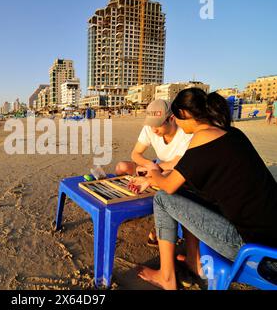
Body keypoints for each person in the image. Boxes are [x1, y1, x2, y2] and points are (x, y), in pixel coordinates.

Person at [128, 88, 277, 290]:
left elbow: (169, 186)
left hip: (255, 250)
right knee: (187, 194)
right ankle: (192, 260)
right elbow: (197, 178)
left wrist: (152, 174)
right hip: (271, 236)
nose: (176, 123)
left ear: (185, 115)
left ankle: (167, 277)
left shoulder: (200, 139)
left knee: (162, 199)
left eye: (176, 117)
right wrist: (158, 174)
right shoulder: (232, 133)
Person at [116, 99, 193, 246]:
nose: (153, 129)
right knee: (121, 167)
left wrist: (153, 171)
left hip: (174, 171)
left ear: (171, 119)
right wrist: (150, 165)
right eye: (150, 124)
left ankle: (163, 226)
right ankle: (127, 210)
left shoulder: (184, 132)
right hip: (157, 165)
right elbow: (135, 154)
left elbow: (177, 163)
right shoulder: (150, 128)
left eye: (157, 125)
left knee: (166, 181)